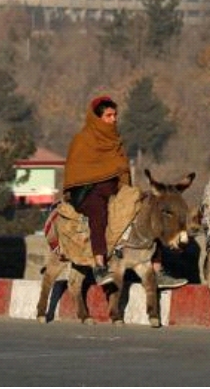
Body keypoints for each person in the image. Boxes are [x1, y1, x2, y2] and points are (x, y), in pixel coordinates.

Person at [63, 96, 131, 286]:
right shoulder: (82, 140)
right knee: (98, 212)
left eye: (115, 115)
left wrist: (126, 189)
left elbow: (123, 169)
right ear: (97, 118)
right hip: (87, 192)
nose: (113, 119)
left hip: (113, 191)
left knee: (142, 205)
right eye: (109, 116)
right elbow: (75, 172)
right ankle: (100, 265)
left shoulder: (116, 141)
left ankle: (156, 268)